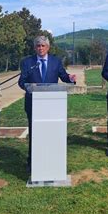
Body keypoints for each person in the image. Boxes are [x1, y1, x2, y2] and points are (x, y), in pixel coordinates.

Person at [18, 35, 77, 169]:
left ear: (48, 47)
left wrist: (71, 78)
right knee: (34, 133)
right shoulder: (28, 62)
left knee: (50, 132)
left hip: (52, 104)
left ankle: (50, 159)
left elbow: (63, 76)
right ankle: (32, 161)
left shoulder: (56, 62)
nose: (40, 48)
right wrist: (28, 86)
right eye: (38, 46)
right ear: (35, 48)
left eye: (43, 45)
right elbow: (22, 81)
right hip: (33, 103)